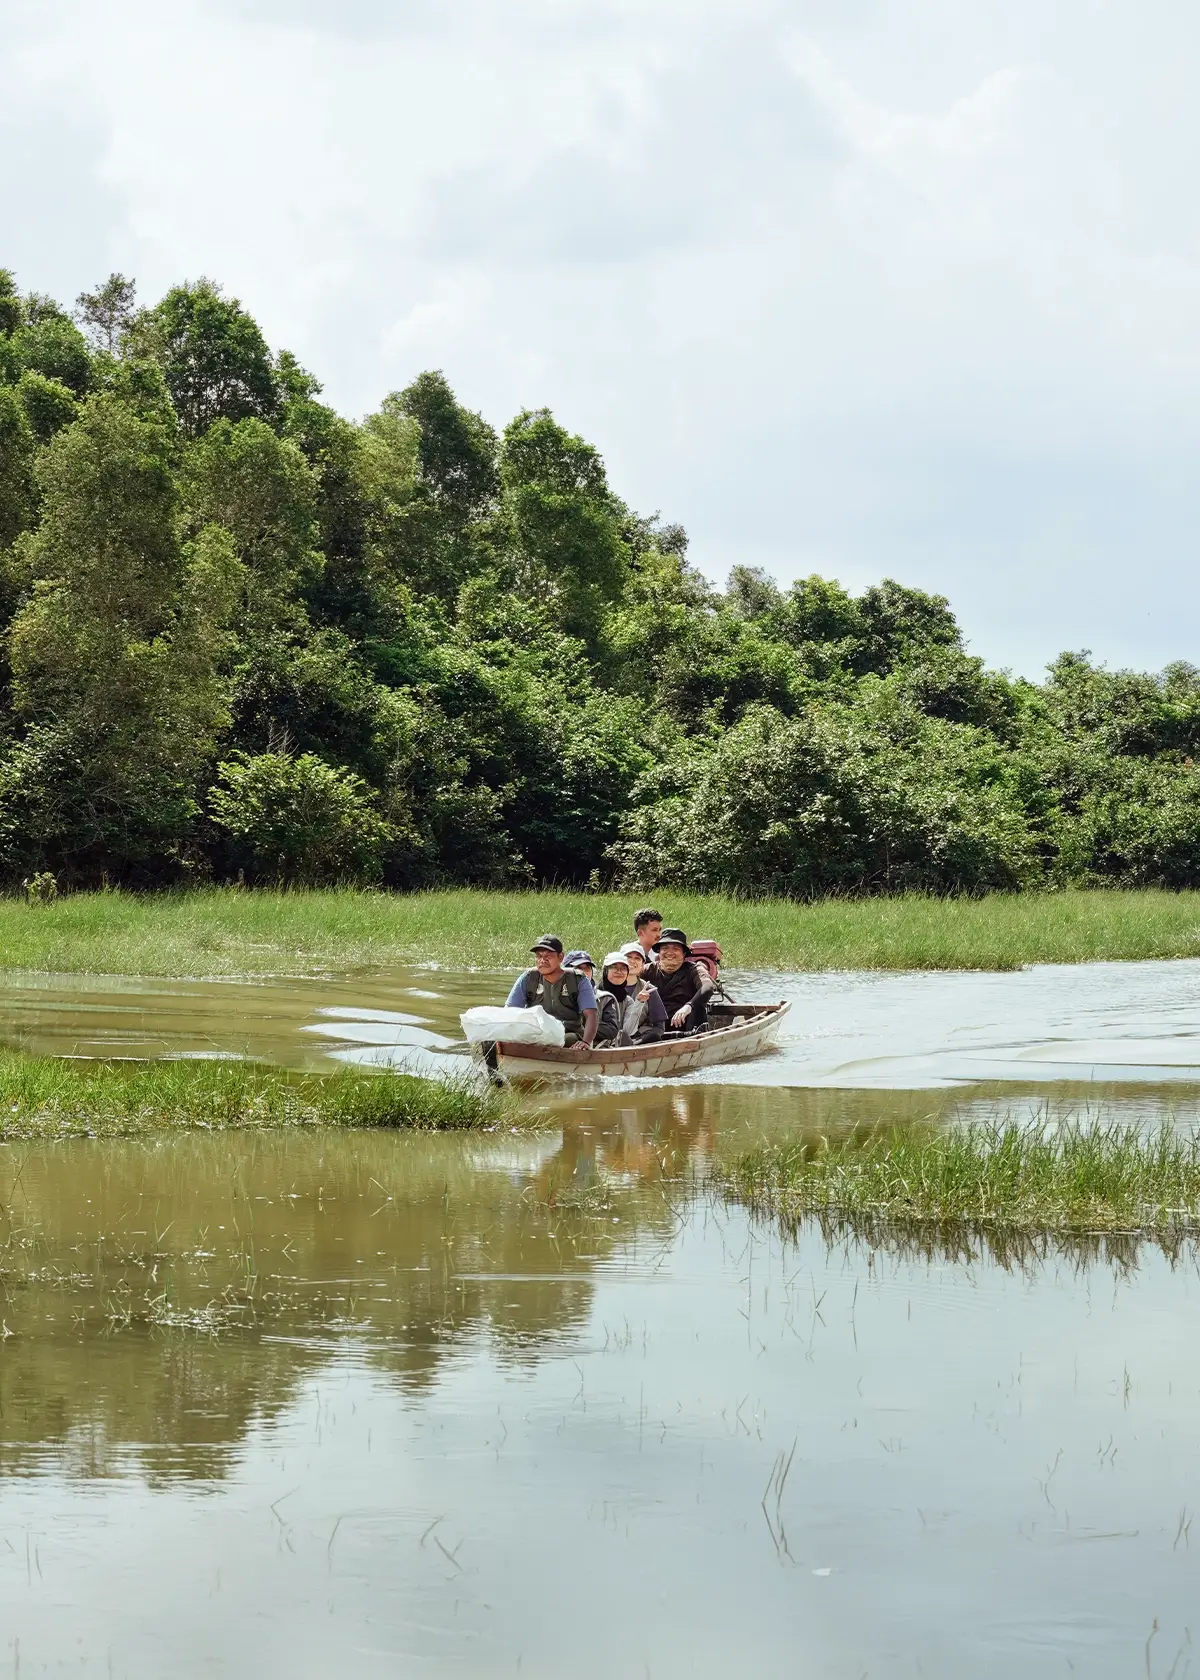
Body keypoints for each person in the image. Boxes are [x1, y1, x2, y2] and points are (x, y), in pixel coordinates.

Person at [505, 935, 598, 1055]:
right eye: (539, 956)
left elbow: (591, 1014)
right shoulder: (528, 977)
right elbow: (510, 1011)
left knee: (564, 1041)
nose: (542, 961)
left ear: (561, 957)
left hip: (568, 1035)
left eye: (548, 956)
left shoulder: (578, 979)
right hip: (536, 1033)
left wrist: (585, 1042)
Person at [646, 928, 713, 1033]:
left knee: (698, 1008)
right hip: (655, 1025)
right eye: (665, 948)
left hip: (685, 1025)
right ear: (659, 952)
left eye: (676, 949)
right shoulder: (649, 970)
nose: (670, 952)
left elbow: (708, 987)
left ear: (684, 953)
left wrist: (688, 1005)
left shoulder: (693, 969)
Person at [596, 951, 667, 1046]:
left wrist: (639, 1002)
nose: (619, 972)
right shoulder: (595, 995)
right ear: (605, 971)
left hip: (616, 1046)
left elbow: (628, 1031)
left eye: (623, 969)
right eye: (614, 967)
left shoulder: (628, 1000)